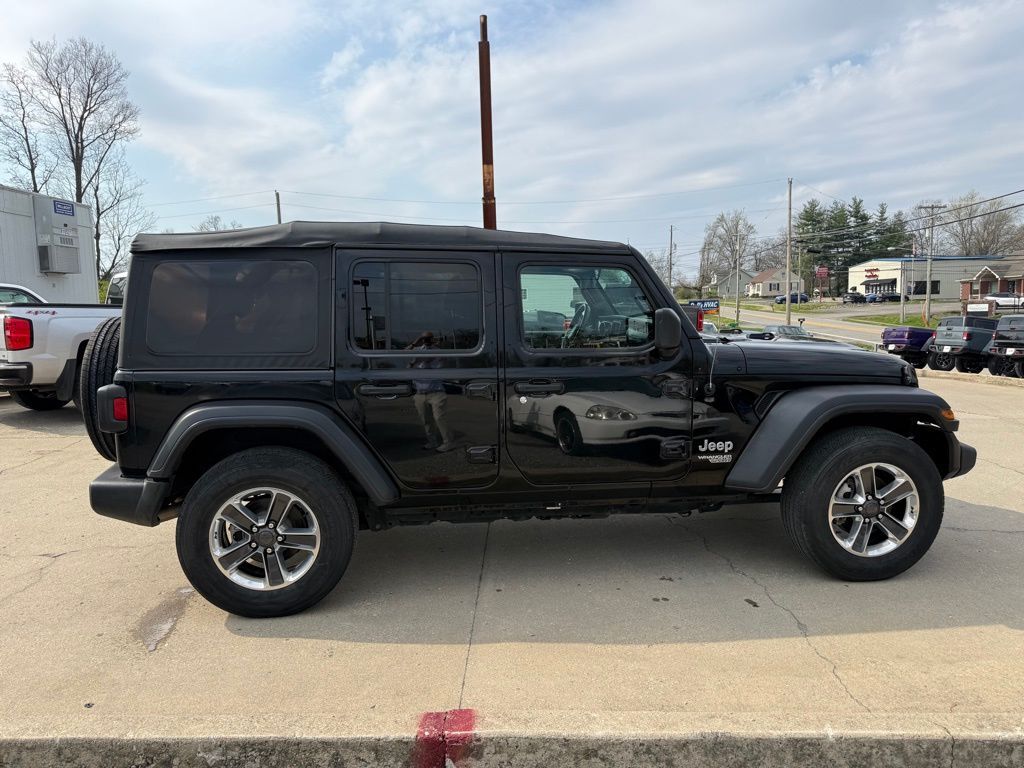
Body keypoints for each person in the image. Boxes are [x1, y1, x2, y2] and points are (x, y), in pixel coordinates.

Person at [408, 332, 455, 452]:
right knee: (426, 419)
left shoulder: (437, 351)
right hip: (420, 392)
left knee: (439, 417)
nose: (426, 341)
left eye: (428, 338)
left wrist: (431, 353)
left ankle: (448, 442)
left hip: (436, 391)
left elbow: (442, 362)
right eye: (424, 338)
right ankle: (432, 441)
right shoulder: (416, 350)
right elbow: (402, 354)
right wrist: (415, 342)